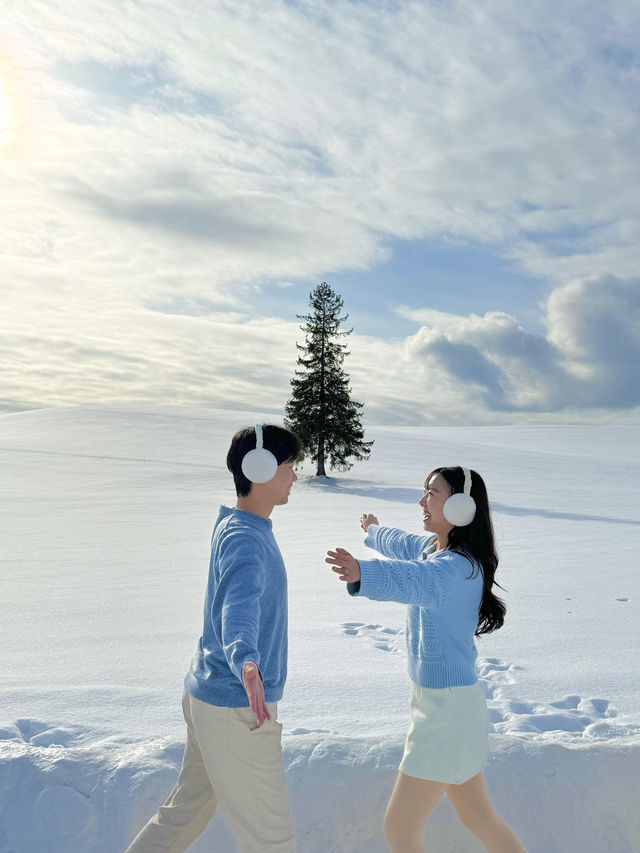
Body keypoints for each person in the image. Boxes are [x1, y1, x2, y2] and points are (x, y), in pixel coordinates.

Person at [326, 466, 526, 853]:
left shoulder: (456, 569)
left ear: (461, 506)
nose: (422, 501)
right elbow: (403, 545)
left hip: (447, 714)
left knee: (399, 828)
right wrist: (373, 531)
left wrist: (362, 573)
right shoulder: (435, 550)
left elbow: (416, 580)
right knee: (477, 818)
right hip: (446, 705)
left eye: (431, 493)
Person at [125, 424, 302, 853]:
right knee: (271, 839)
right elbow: (236, 609)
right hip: (236, 704)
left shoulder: (237, 525)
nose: (295, 476)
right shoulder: (245, 538)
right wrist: (246, 661)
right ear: (259, 469)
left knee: (184, 814)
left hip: (208, 693)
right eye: (288, 466)